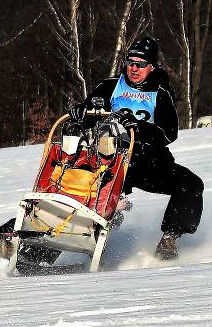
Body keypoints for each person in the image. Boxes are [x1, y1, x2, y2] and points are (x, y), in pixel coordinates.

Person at [69, 37, 204, 260]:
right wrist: (81, 113)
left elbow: (169, 133)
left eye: (140, 64)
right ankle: (41, 247)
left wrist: (140, 129)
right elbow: (89, 113)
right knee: (75, 188)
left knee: (191, 184)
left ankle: (169, 238)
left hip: (149, 162)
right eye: (131, 62)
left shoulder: (160, 93)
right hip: (112, 161)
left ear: (151, 67)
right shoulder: (111, 86)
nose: (134, 68)